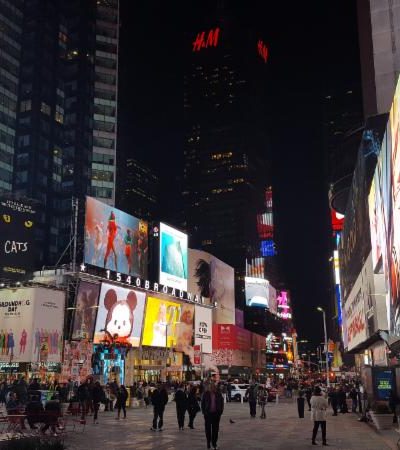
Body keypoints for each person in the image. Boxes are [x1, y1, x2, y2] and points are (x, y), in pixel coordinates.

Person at [202, 383, 224, 450]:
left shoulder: (218, 394)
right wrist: (204, 412)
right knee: (208, 430)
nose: (212, 388)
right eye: (211, 387)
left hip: (216, 414)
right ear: (209, 388)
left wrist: (220, 412)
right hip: (208, 414)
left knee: (215, 430)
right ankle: (208, 442)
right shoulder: (205, 394)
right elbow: (203, 404)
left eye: (213, 387)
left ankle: (214, 443)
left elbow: (222, 403)